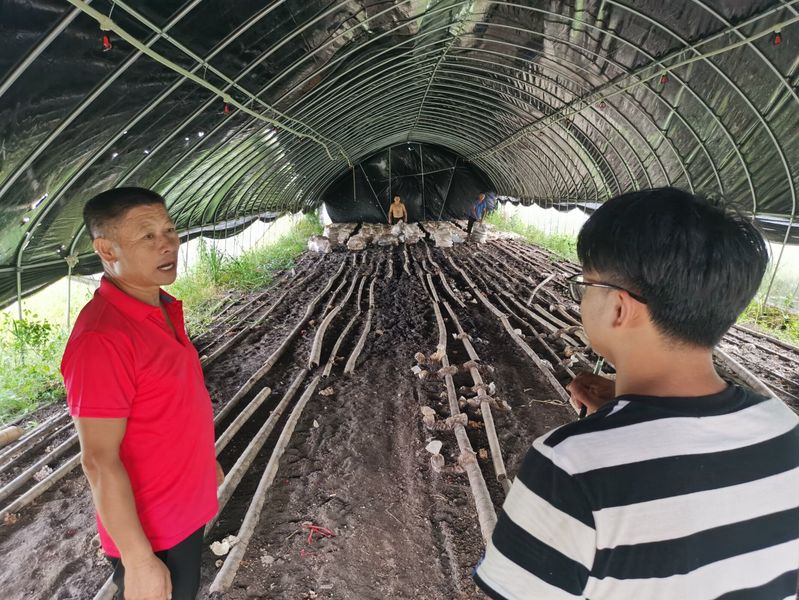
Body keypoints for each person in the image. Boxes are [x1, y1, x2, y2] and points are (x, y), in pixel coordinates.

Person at [474, 188, 799, 599]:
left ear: (619, 308)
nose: (581, 298)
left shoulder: (569, 468)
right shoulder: (786, 427)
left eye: (585, 284)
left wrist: (618, 434)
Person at [61, 188, 223, 600]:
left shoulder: (160, 306)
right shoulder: (102, 339)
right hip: (153, 530)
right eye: (147, 236)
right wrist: (138, 560)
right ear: (106, 249)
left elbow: (171, 408)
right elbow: (98, 460)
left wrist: (203, 464)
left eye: (169, 230)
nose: (167, 244)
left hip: (183, 507)